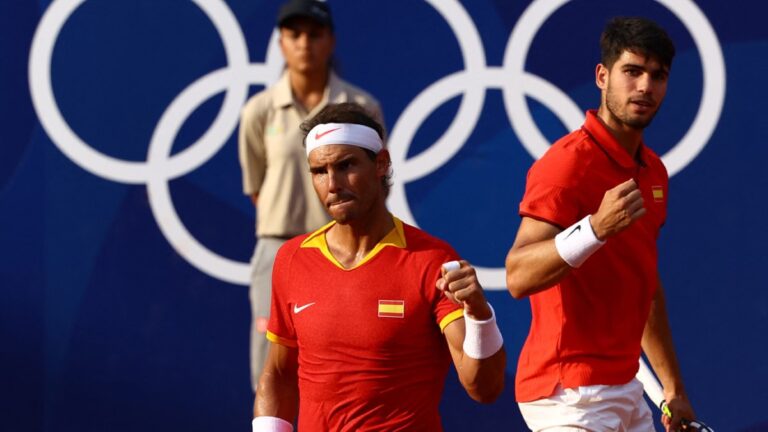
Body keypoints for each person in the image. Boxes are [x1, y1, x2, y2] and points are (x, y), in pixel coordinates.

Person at [251, 102, 506, 431]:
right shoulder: (291, 259)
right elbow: (279, 375)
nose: (333, 184)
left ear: (381, 163)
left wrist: (480, 315)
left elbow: (484, 388)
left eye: (346, 166)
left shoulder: (432, 260)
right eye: (319, 171)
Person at [505, 17, 697, 432]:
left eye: (657, 75)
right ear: (602, 76)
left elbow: (643, 285)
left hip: (625, 387)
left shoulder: (654, 172)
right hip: (567, 395)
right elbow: (517, 275)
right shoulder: (567, 164)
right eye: (632, 71)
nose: (645, 86)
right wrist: (594, 229)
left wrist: (673, 388)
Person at [238, 0, 383, 393]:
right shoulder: (259, 111)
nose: (304, 44)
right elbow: (257, 188)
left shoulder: (362, 109)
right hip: (277, 251)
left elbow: (373, 184)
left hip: (344, 253)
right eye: (294, 34)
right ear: (280, 42)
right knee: (272, 365)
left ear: (330, 41)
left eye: (314, 34)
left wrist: (331, 237)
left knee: (344, 359)